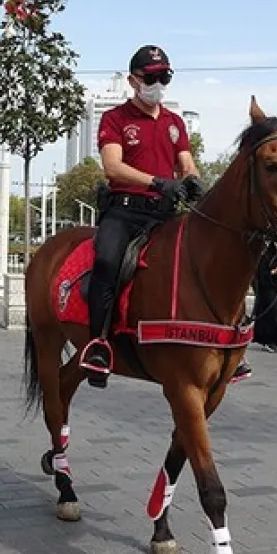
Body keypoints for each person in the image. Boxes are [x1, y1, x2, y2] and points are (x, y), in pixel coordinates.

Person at [77, 44, 207, 388]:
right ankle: (98, 344)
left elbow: (186, 163)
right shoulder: (115, 119)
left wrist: (193, 181)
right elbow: (113, 166)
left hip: (165, 214)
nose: (159, 83)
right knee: (106, 261)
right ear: (134, 80)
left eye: (165, 76)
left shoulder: (175, 122)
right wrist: (156, 182)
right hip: (125, 211)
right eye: (152, 77)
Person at [251, 242, 277, 353]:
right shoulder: (264, 256)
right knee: (273, 314)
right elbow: (261, 274)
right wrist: (274, 272)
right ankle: (268, 340)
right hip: (267, 290)